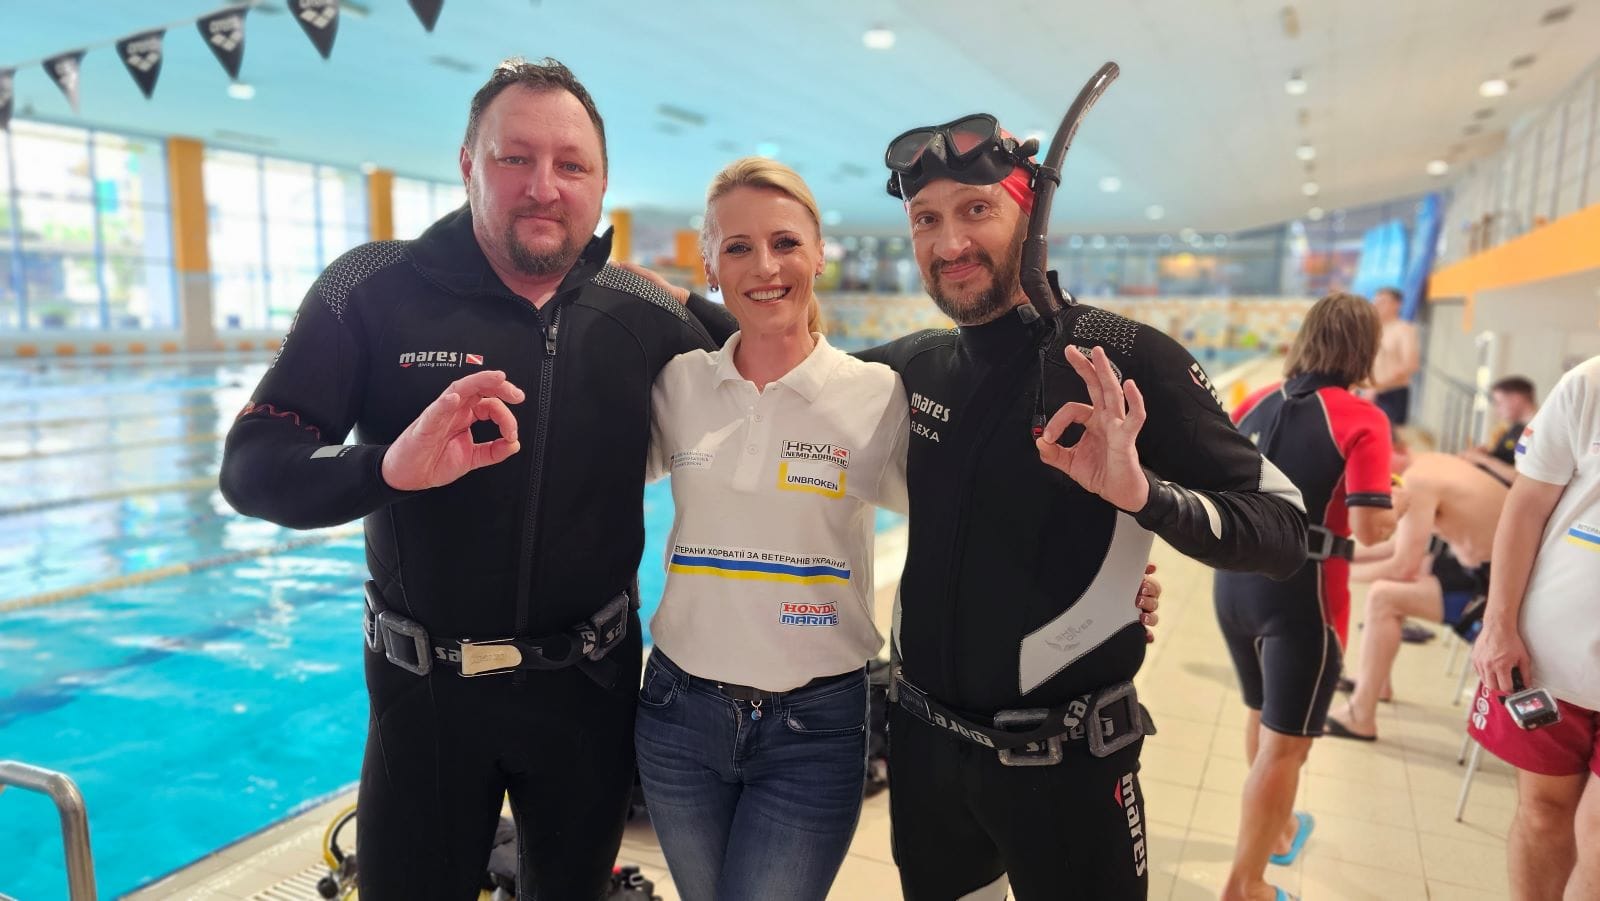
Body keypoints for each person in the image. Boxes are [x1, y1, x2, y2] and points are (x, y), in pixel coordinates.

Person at [218, 58, 730, 900]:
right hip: (423, 703)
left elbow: (787, 373)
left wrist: (685, 297)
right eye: (514, 157)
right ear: (467, 164)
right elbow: (251, 463)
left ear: (602, 183)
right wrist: (387, 467)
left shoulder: (643, 311)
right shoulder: (370, 288)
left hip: (588, 694)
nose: (544, 186)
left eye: (571, 165)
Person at [631, 158, 1162, 901]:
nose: (765, 266)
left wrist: (1102, 584)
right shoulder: (677, 383)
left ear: (819, 254)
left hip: (812, 723)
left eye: (785, 242)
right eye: (738, 247)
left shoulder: (877, 395)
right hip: (677, 713)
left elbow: (976, 515)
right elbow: (593, 489)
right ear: (710, 263)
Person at [859, 114, 1308, 900]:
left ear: (1030, 213)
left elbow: (1283, 529)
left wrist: (1145, 497)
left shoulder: (1123, 358)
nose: (949, 242)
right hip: (925, 756)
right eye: (926, 219)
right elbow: (781, 365)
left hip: (1067, 770)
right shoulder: (917, 366)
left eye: (975, 208)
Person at [1212, 293, 1397, 901]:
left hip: (1235, 587)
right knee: (1287, 747)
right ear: (1364, 349)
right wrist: (1397, 505)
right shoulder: (1363, 419)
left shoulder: (1256, 401)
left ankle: (1281, 828)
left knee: (1262, 714)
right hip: (1304, 600)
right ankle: (1245, 885)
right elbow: (1370, 528)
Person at [1470, 355, 1600, 901]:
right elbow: (1525, 506)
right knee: (1544, 813)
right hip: (1549, 655)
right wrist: (1497, 626)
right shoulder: (1589, 384)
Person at [1325, 451, 1509, 741]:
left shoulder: (1416, 481)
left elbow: (1403, 566)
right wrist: (1338, 555)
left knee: (1383, 596)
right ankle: (1375, 684)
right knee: (1394, 583)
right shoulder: (1433, 463)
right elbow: (1402, 546)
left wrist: (1335, 574)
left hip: (1495, 592)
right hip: (1486, 573)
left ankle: (1361, 715)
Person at [1459, 374, 1538, 483]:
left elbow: (1521, 477)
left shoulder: (1534, 432)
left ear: (1516, 399)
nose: (1497, 410)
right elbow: (1509, 457)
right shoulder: (1516, 429)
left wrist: (1483, 460)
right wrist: (1485, 453)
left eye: (1499, 403)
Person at [1368, 287, 1420, 427]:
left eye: (1383, 302)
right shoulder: (1373, 330)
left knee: (1388, 437)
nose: (1377, 305)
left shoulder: (1404, 329)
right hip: (1369, 392)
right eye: (1376, 301)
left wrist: (1378, 388)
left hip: (1391, 394)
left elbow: (1410, 365)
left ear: (1397, 304)